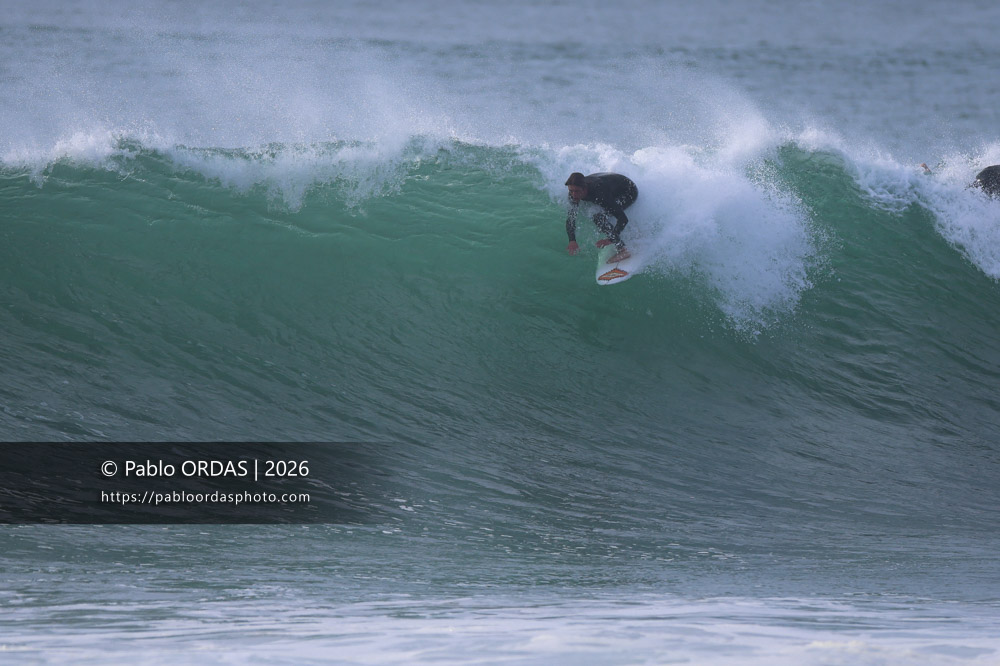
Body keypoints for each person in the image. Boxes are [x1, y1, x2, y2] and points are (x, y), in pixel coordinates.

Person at [564, 172, 638, 263]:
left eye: (577, 191)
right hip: (609, 182)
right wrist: (572, 240)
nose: (573, 195)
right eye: (571, 191)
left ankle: (623, 250)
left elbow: (623, 218)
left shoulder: (600, 193)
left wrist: (611, 238)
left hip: (628, 191)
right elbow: (571, 218)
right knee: (601, 214)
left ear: (585, 188)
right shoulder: (574, 194)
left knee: (598, 218)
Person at [921, 163, 1000, 197]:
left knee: (969, 190)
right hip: (989, 176)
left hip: (988, 174)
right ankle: (929, 173)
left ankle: (929, 173)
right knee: (972, 192)